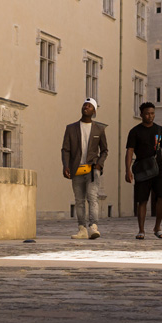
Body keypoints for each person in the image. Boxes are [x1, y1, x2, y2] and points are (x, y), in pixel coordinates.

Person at [124, 102, 162, 239]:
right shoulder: (135, 131)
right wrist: (127, 170)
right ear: (141, 114)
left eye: (152, 113)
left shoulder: (160, 130)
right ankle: (141, 230)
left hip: (158, 168)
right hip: (142, 169)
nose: (150, 116)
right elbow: (130, 151)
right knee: (142, 200)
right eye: (147, 113)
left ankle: (157, 227)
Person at [61, 98, 109, 240]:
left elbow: (105, 150)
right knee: (79, 200)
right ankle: (82, 229)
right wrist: (66, 165)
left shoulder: (99, 129)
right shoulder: (71, 128)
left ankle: (93, 227)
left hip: (92, 168)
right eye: (84, 105)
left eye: (89, 106)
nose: (86, 107)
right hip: (77, 168)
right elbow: (65, 149)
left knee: (92, 197)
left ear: (94, 111)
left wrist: (100, 164)